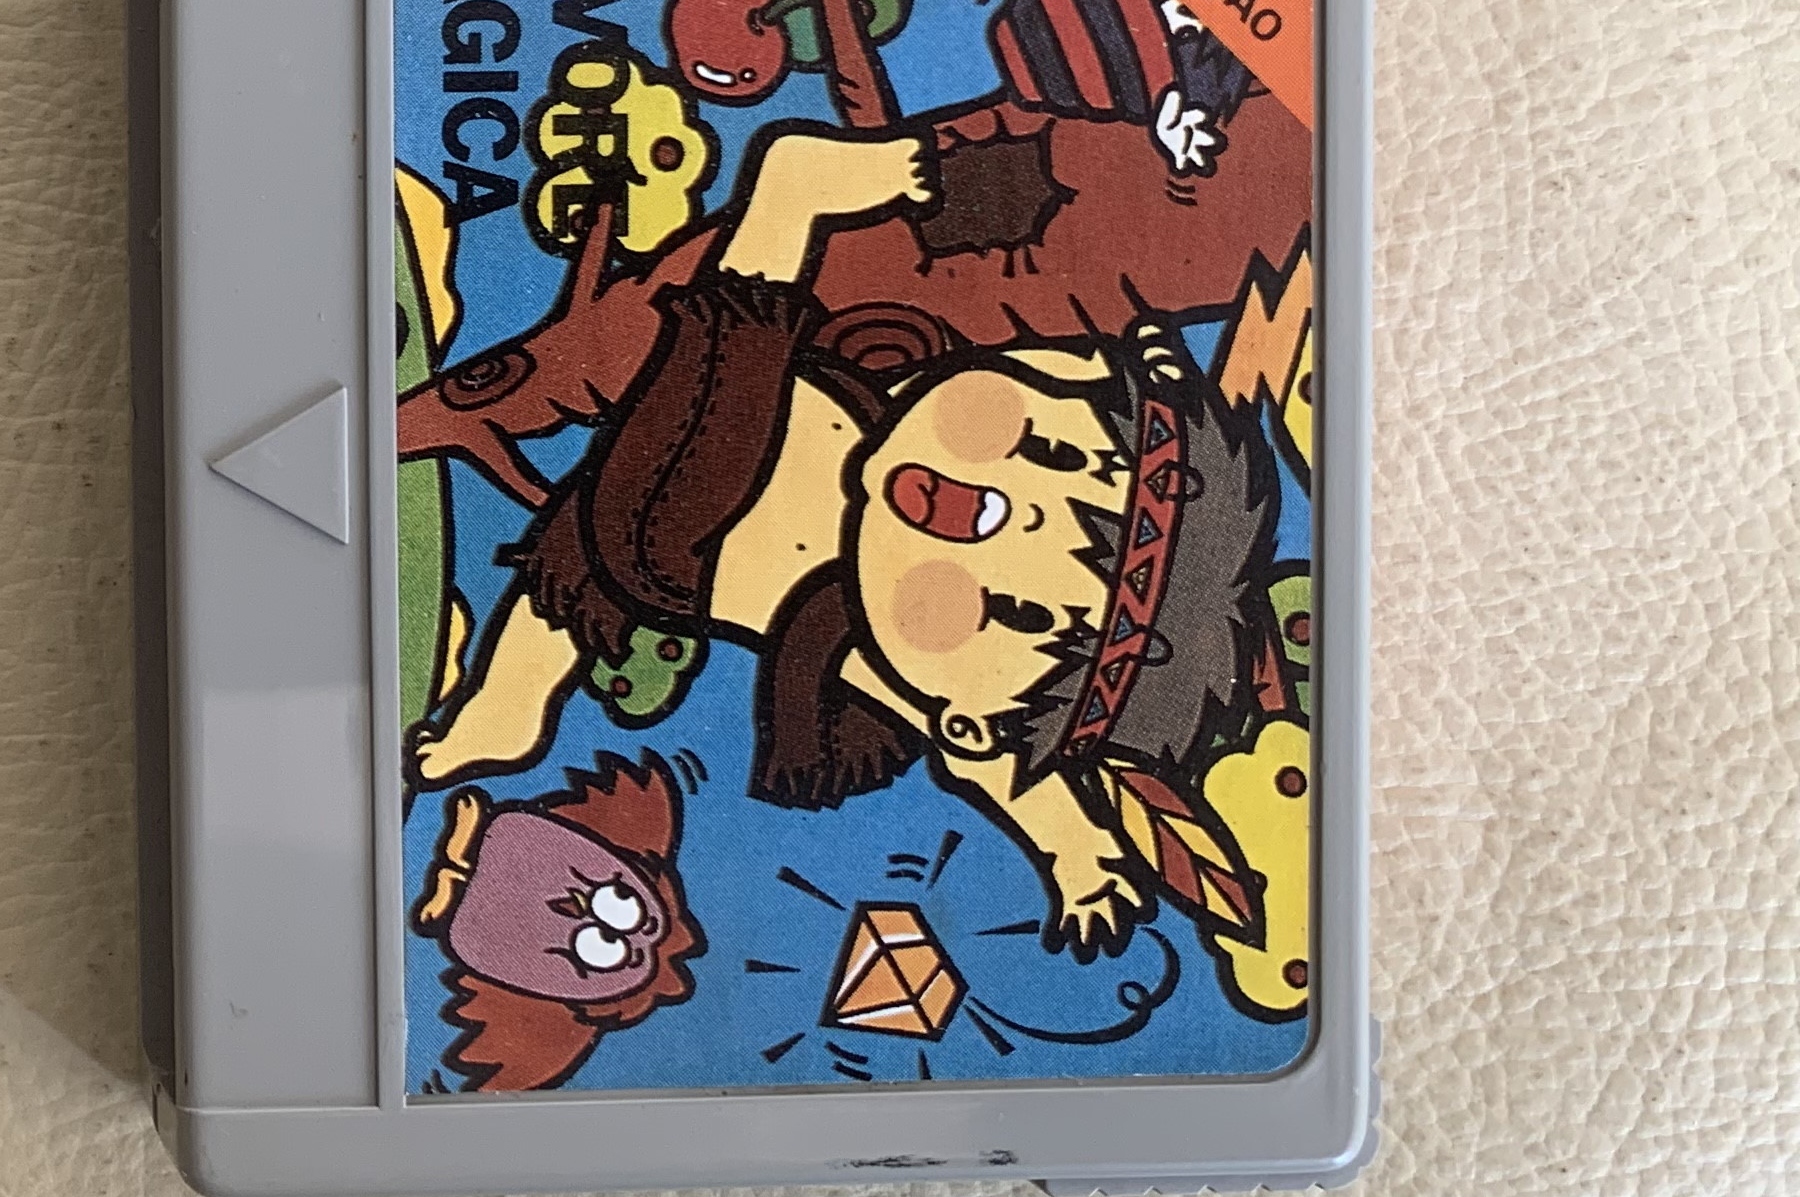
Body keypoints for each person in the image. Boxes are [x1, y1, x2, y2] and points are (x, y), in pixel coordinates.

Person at [419, 128, 1278, 958]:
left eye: (1014, 609)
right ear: (1071, 367)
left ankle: (505, 707)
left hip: (665, 562)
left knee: (577, 578)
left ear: (968, 718)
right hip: (741, 422)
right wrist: (910, 177)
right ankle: (810, 183)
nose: (988, 513)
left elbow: (988, 763)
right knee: (737, 326)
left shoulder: (877, 654)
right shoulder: (850, 391)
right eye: (1048, 453)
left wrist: (1072, 850)